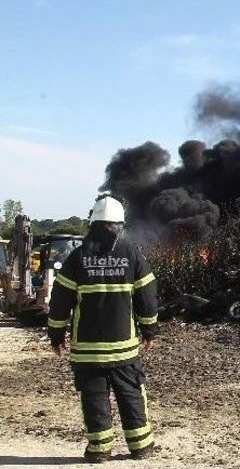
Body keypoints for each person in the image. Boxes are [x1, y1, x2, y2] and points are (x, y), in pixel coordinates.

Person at [47, 193, 159, 462]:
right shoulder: (132, 255)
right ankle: (141, 448)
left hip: (87, 351)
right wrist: (149, 330)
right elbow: (147, 296)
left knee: (94, 399)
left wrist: (55, 335)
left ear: (92, 224)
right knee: (131, 394)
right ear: (120, 224)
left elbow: (60, 301)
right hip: (124, 350)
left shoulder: (76, 258)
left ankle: (99, 452)